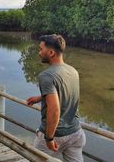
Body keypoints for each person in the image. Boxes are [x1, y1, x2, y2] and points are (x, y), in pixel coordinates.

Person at [27, 34, 86, 162]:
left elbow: (54, 110)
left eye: (41, 49)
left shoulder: (46, 76)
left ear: (51, 52)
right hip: (76, 133)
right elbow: (64, 94)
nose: (39, 53)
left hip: (56, 135)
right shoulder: (73, 71)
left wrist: (49, 138)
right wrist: (40, 98)